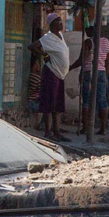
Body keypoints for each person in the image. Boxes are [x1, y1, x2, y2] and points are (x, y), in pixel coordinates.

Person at [37, 12, 71, 140]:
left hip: (59, 74)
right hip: (51, 72)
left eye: (61, 21)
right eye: (58, 22)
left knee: (57, 105)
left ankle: (56, 131)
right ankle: (48, 131)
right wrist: (45, 55)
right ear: (52, 25)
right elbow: (33, 47)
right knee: (49, 103)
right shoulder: (47, 38)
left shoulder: (60, 36)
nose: (61, 23)